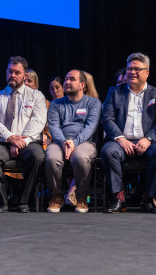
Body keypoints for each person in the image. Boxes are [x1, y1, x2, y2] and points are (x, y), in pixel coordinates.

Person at [101, 53, 156, 213]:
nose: (132, 72)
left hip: (147, 142)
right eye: (129, 69)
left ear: (147, 73)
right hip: (120, 142)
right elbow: (107, 119)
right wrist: (120, 139)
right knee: (108, 152)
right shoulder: (114, 92)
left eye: (137, 69)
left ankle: (147, 198)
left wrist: (149, 138)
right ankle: (118, 198)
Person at [0, 56, 47, 213]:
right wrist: (10, 138)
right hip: (2, 143)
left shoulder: (36, 96)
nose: (13, 75)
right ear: (6, 73)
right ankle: (3, 200)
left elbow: (38, 122)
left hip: (28, 143)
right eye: (10, 72)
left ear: (25, 76)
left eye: (17, 72)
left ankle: (23, 201)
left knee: (38, 157)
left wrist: (21, 142)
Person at [45, 70, 101, 213]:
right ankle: (56, 196)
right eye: (66, 79)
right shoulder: (55, 104)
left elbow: (91, 127)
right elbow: (54, 127)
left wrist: (74, 143)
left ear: (82, 85)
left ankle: (82, 197)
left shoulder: (93, 103)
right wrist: (64, 142)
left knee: (80, 157)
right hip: (60, 142)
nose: (67, 82)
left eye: (71, 79)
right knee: (51, 158)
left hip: (85, 142)